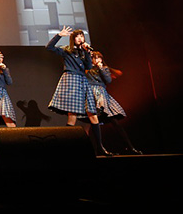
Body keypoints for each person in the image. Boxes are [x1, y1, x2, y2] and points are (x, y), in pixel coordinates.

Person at [47, 26, 111, 156]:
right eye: (78, 36)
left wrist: (87, 52)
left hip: (83, 81)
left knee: (93, 114)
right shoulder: (67, 50)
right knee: (72, 116)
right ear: (73, 39)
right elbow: (49, 47)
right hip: (72, 79)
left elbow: (88, 66)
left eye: (82, 36)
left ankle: (100, 147)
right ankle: (67, 149)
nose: (80, 38)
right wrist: (59, 35)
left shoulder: (84, 52)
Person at [86, 51, 142, 155]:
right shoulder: (88, 69)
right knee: (92, 125)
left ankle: (130, 147)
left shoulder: (104, 69)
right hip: (91, 96)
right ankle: (95, 150)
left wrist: (101, 68)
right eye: (94, 57)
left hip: (103, 98)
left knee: (115, 122)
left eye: (98, 58)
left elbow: (108, 80)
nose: (96, 59)